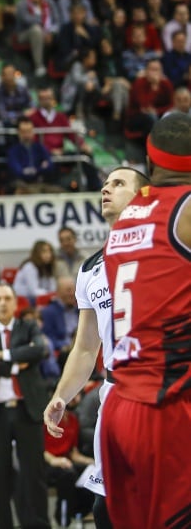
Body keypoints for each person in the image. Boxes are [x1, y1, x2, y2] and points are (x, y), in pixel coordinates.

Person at [99, 114, 191, 528]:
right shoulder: (185, 209)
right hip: (166, 404)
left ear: (149, 163)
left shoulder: (129, 216)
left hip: (119, 405)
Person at [44, 166, 149, 529]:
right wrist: (62, 395)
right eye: (105, 185)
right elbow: (86, 348)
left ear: (143, 196)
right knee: (107, 510)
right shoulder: (90, 269)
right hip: (116, 392)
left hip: (161, 389)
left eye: (118, 183)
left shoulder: (166, 248)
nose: (106, 189)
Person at [0, 283, 51, 529]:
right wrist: (17, 364)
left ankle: (38, 525)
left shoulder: (28, 326)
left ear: (16, 303)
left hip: (27, 410)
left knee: (34, 475)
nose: (3, 303)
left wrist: (3, 355)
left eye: (7, 298)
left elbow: (40, 350)